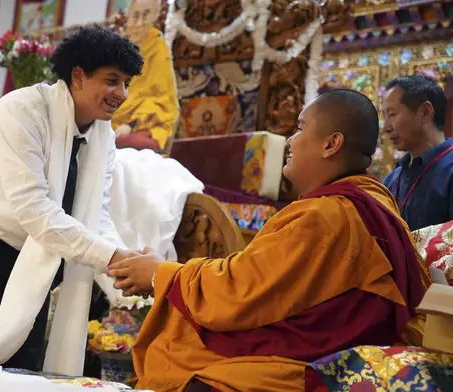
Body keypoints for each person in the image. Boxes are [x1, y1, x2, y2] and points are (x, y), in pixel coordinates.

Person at [108, 89, 430, 391]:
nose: (290, 140)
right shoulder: (377, 203)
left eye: (301, 128)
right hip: (334, 344)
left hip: (308, 357)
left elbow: (238, 290)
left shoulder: (325, 215)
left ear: (330, 144)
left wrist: (159, 273)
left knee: (183, 357)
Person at [0, 26, 144, 373]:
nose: (122, 93)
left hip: (29, 247)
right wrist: (111, 256)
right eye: (112, 81)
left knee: (21, 363)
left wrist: (124, 265)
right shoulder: (22, 110)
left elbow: (95, 217)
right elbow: (33, 207)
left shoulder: (104, 138)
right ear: (79, 76)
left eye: (126, 83)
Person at [381, 75, 453, 230]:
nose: (386, 127)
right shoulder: (391, 180)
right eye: (384, 116)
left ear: (425, 112)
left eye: (392, 114)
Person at [112, 0, 179, 154]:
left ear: (155, 17)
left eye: (146, 15)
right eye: (135, 16)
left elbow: (162, 100)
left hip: (147, 122)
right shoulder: (117, 47)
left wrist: (131, 124)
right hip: (113, 117)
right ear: (127, 17)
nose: (140, 23)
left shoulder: (158, 48)